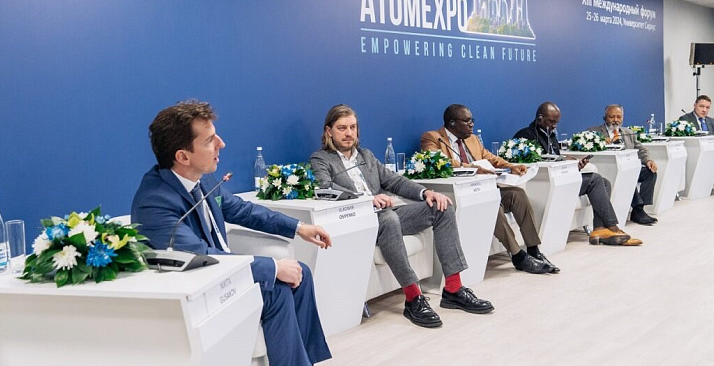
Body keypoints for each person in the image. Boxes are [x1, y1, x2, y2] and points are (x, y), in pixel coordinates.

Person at [131, 100, 332, 366]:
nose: (221, 144)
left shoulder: (202, 179)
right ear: (183, 156)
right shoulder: (155, 202)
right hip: (198, 290)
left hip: (222, 274)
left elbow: (242, 210)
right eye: (209, 141)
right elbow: (201, 258)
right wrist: (272, 267)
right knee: (276, 289)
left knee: (300, 273)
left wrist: (298, 227)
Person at [310, 104, 493, 329]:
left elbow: (394, 181)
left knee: (442, 207)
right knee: (389, 219)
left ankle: (453, 289)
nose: (349, 133)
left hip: (387, 213)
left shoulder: (366, 156)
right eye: (342, 128)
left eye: (353, 127)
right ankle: (413, 298)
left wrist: (425, 193)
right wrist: (366, 199)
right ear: (329, 131)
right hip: (359, 220)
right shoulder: (321, 159)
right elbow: (326, 187)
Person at [421, 104, 558, 274]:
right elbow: (440, 162)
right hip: (463, 196)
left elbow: (490, 157)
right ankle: (518, 256)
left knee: (518, 194)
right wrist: (473, 168)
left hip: (486, 189)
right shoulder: (432, 138)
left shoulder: (472, 139)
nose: (471, 124)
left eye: (472, 120)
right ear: (452, 122)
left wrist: (511, 166)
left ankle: (533, 250)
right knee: (493, 206)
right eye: (467, 121)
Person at [513, 102, 642, 246]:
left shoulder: (551, 135)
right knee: (595, 179)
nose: (554, 125)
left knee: (604, 182)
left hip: (562, 179)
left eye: (556, 122)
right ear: (540, 118)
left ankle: (599, 229)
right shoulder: (525, 135)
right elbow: (530, 163)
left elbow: (556, 157)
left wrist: (573, 163)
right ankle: (613, 227)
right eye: (551, 122)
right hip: (544, 183)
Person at [587, 104, 658, 225]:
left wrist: (648, 160)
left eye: (619, 117)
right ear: (605, 118)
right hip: (609, 169)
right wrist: (604, 144)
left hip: (629, 167)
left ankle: (640, 209)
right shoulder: (593, 132)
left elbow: (641, 149)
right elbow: (589, 149)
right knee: (627, 174)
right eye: (612, 117)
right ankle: (638, 210)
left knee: (650, 172)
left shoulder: (628, 133)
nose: (616, 120)